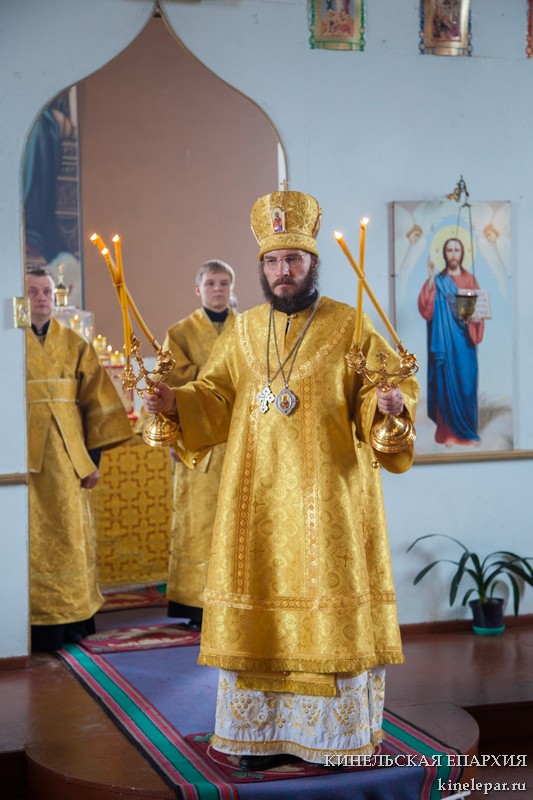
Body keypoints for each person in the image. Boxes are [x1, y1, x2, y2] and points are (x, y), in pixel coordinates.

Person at [143, 190, 418, 769]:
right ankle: (259, 737)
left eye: (292, 258)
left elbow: (380, 391)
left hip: (330, 504)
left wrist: (389, 404)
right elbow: (215, 396)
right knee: (261, 615)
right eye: (271, 261)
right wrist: (173, 400)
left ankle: (331, 740)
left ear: (312, 262)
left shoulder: (349, 324)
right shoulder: (243, 330)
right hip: (258, 504)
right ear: (261, 268)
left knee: (325, 611)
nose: (282, 270)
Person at [26, 267, 132, 652]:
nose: (42, 298)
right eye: (33, 292)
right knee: (28, 537)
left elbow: (97, 404)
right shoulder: (8, 342)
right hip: (22, 457)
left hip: (68, 456)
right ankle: (28, 621)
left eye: (46, 291)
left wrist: (93, 460)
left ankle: (72, 619)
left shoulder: (74, 344)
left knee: (69, 535)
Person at [163, 259, 236, 630]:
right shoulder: (179, 333)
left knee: (239, 521)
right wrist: (173, 435)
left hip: (239, 438)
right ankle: (196, 603)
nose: (217, 289)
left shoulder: (248, 327)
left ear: (232, 287)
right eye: (210, 283)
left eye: (224, 283)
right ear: (198, 289)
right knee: (201, 522)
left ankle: (238, 597)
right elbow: (170, 387)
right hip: (198, 441)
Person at [418, 237, 484, 447]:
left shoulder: (470, 280)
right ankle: (447, 434)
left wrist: (477, 318)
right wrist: (431, 276)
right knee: (445, 385)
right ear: (444, 254)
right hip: (444, 344)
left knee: (466, 383)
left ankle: (468, 433)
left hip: (465, 344)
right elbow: (426, 309)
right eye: (449, 250)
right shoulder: (438, 280)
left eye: (457, 250)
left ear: (462, 253)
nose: (453, 254)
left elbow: (479, 310)